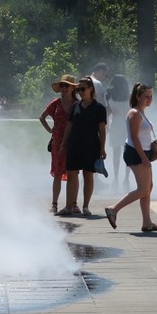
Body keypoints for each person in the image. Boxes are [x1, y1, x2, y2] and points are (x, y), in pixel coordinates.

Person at [104, 83, 157, 232]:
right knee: (143, 189)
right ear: (138, 97)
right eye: (146, 96)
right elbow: (134, 138)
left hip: (143, 152)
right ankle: (113, 209)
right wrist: (144, 158)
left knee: (148, 188)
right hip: (135, 153)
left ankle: (147, 223)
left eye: (151, 96)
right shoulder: (134, 113)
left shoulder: (142, 112)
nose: (149, 99)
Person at [56, 76, 107, 217]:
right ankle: (68, 206)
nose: (80, 92)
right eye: (78, 90)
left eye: (83, 89)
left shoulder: (99, 108)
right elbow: (69, 125)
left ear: (91, 89)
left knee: (88, 175)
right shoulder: (75, 106)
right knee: (72, 173)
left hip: (91, 145)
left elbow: (102, 130)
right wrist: (63, 144)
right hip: (74, 144)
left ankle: (85, 206)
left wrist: (102, 148)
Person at [38, 74, 77, 213]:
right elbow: (42, 117)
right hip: (57, 142)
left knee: (73, 173)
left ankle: (73, 203)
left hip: (73, 142)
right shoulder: (56, 103)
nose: (64, 88)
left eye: (67, 85)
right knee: (58, 173)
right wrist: (50, 130)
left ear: (73, 88)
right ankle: (54, 204)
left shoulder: (76, 104)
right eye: (62, 85)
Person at [105, 74, 131, 190]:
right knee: (129, 154)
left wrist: (106, 126)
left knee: (116, 154)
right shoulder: (130, 97)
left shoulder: (110, 98)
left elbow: (108, 113)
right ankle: (126, 179)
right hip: (127, 127)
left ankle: (115, 179)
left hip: (115, 126)